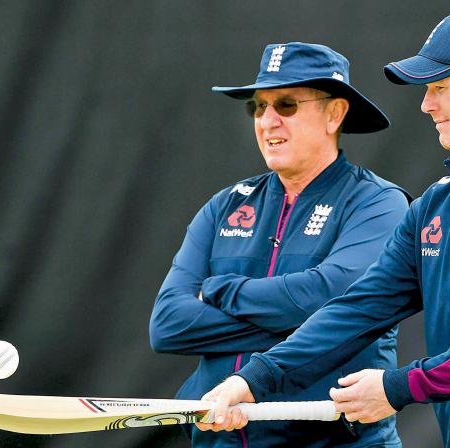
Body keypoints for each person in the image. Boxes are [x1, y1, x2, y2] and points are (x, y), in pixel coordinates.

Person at [197, 8, 450, 448]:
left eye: (439, 87)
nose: (425, 103)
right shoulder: (438, 202)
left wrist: (399, 386)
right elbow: (360, 306)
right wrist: (253, 380)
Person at [149, 41, 411, 447]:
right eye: (257, 106)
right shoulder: (224, 206)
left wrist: (220, 290)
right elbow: (167, 325)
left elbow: (340, 301)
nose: (266, 120)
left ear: (335, 113)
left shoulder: (378, 202)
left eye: (286, 104)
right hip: (219, 437)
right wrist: (307, 326)